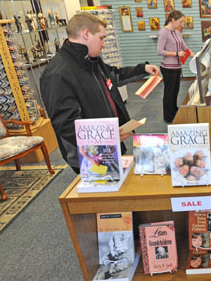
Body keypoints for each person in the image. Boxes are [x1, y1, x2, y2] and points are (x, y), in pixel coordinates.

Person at [40, 13, 159, 174]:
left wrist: (142, 69)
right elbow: (67, 125)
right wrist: (107, 139)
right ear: (86, 34)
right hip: (90, 154)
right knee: (104, 190)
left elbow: (113, 76)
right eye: (101, 38)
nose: (103, 44)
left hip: (110, 141)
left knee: (118, 185)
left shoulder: (91, 59)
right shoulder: (57, 74)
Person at [157, 10, 194, 122]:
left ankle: (174, 111)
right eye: (180, 22)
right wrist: (176, 54)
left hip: (177, 67)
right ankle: (168, 116)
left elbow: (185, 48)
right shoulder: (164, 32)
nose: (181, 25)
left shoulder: (177, 32)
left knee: (175, 91)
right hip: (168, 68)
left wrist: (196, 57)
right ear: (172, 20)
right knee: (169, 92)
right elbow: (159, 51)